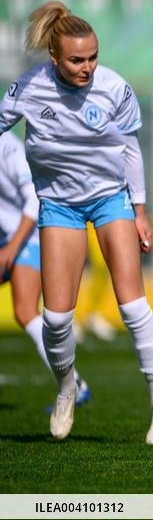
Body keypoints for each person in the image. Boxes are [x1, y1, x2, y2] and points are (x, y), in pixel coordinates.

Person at [0, 1, 153, 443]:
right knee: (56, 319)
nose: (88, 67)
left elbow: (131, 151)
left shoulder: (115, 88)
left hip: (109, 200)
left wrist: (139, 210)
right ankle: (66, 387)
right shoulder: (29, 88)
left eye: (93, 57)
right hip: (59, 207)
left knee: (133, 306)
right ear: (55, 59)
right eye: (77, 60)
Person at [0, 130, 90, 406]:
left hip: (29, 236)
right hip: (11, 237)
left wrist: (11, 248)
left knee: (25, 310)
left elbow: (33, 199)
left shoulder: (9, 149)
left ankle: (74, 383)